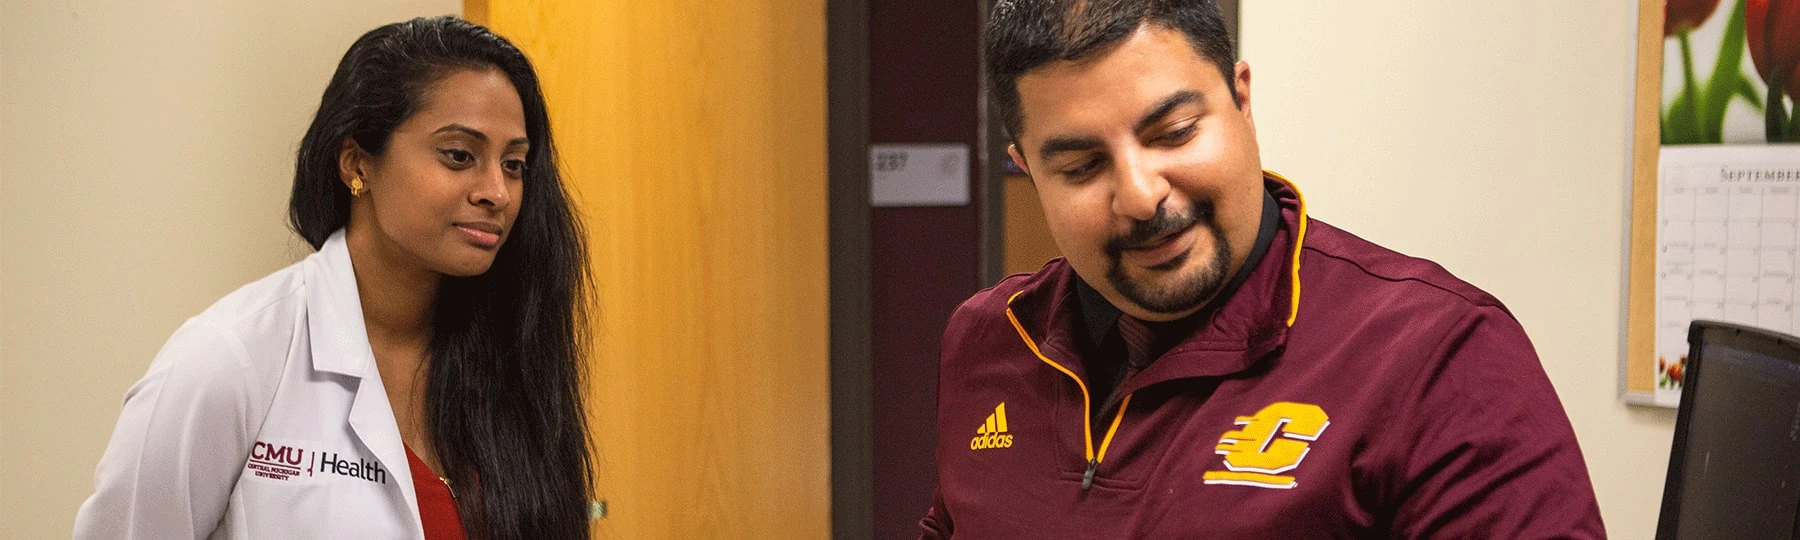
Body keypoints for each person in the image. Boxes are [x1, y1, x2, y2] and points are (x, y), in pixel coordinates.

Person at [920, 1, 1604, 537]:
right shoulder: (987, 341)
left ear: (1241, 99)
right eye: (1081, 167)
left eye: (1175, 133)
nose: (1140, 194)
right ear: (1025, 167)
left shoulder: (1438, 356)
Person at [73, 16, 593, 539]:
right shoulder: (230, 360)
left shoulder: (512, 360)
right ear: (355, 164)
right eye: (460, 156)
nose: (497, 193)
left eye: (514, 164)